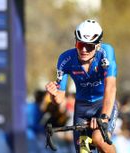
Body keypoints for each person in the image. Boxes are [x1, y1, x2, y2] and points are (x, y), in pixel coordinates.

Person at [45, 19, 118, 153]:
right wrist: (53, 94)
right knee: (83, 150)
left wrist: (104, 117)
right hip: (82, 109)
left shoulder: (106, 53)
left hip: (103, 104)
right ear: (75, 42)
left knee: (98, 139)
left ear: (98, 45)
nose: (84, 50)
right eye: (80, 44)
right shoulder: (65, 59)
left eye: (89, 46)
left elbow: (111, 87)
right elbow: (59, 99)